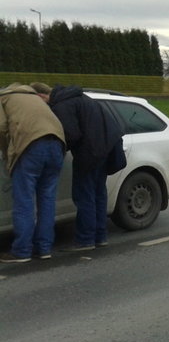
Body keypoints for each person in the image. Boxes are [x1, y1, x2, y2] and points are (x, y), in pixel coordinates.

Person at [32, 83, 123, 251]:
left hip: (90, 151)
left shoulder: (62, 105)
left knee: (84, 195)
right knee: (98, 194)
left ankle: (85, 240)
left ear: (41, 96)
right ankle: (100, 236)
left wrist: (58, 147)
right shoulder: (78, 97)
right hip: (106, 147)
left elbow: (71, 134)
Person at [0, 83, 66, 263]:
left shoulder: (3, 99)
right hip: (57, 144)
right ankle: (44, 248)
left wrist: (8, 155)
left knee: (24, 201)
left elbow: (1, 129)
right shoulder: (34, 98)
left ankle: (21, 251)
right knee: (47, 199)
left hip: (31, 146)